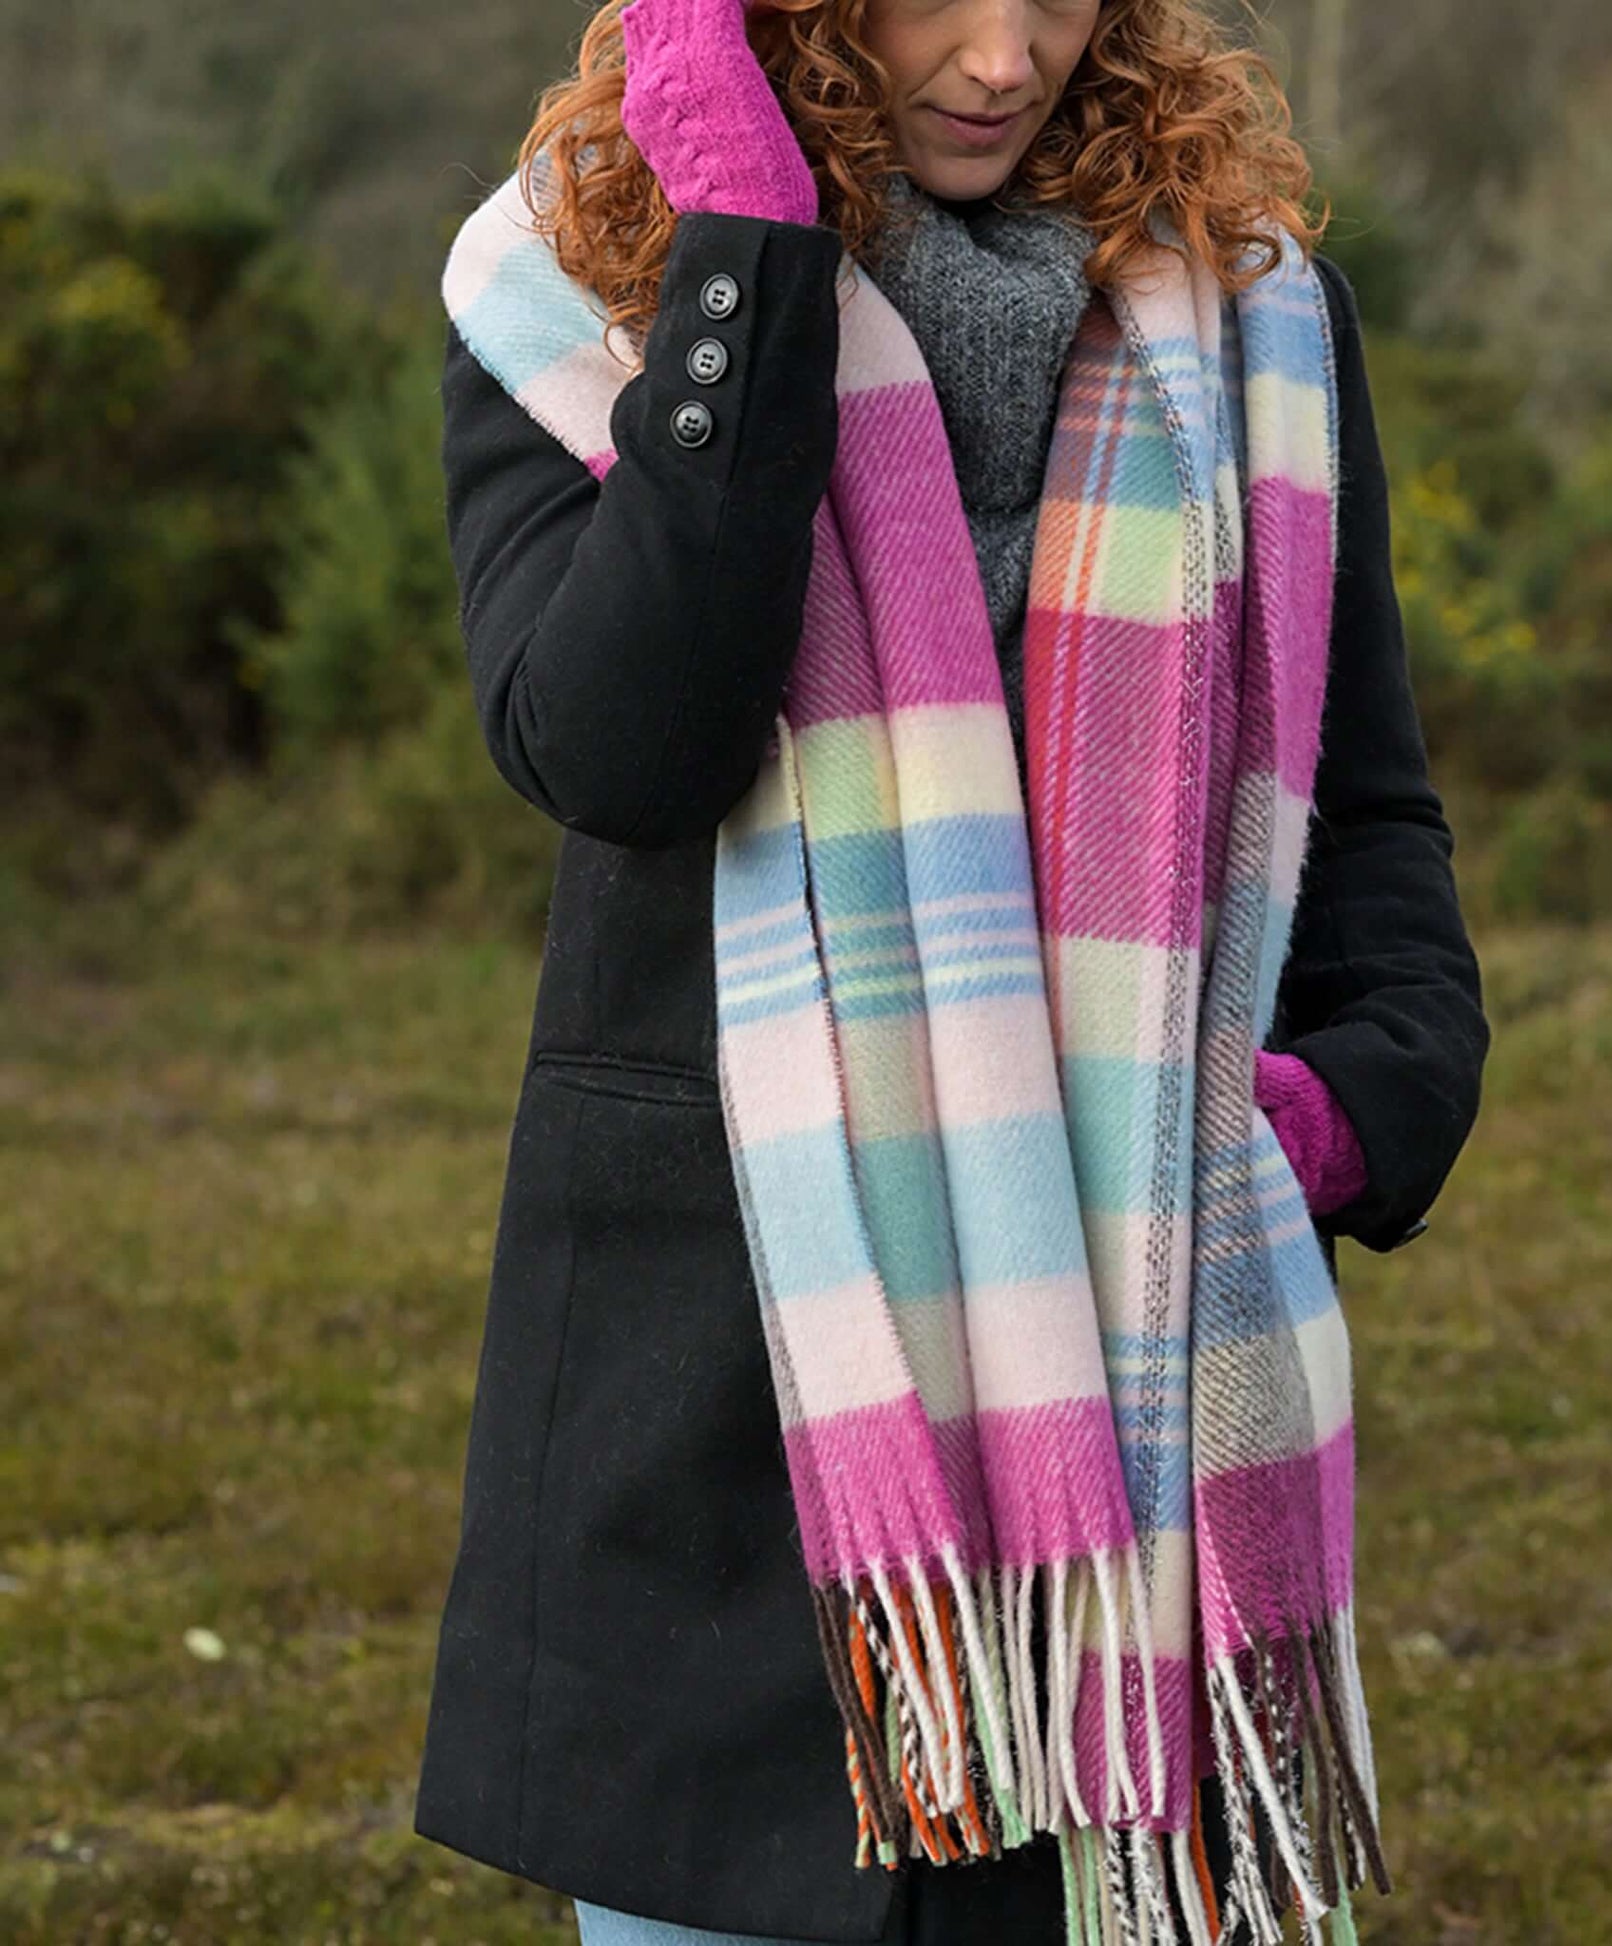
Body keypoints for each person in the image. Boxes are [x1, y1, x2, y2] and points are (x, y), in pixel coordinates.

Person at [412, 0, 1489, 1938]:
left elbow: (1372, 812)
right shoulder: (573, 291)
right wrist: (751, 259)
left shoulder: (1251, 325)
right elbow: (621, 750)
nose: (1008, 57)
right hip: (720, 1416)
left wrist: (1345, 1114)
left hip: (1147, 1399)